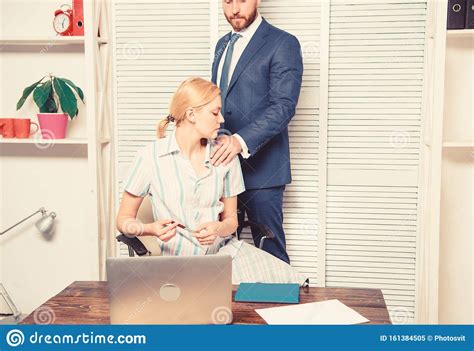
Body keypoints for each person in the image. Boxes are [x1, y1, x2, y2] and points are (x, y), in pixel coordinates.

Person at [116, 77, 305, 285]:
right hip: (176, 265)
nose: (222, 119)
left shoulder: (225, 156)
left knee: (289, 283)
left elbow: (231, 221)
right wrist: (149, 229)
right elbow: (123, 220)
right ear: (191, 114)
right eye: (215, 112)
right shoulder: (149, 157)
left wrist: (217, 229)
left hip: (224, 256)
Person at [210, 0, 304, 264]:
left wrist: (239, 141)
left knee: (269, 254)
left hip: (263, 172)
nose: (234, 9)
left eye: (242, 0)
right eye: (227, 2)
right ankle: (228, 308)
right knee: (223, 253)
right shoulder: (222, 45)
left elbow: (283, 107)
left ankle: (278, 306)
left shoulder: (283, 43)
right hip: (222, 169)